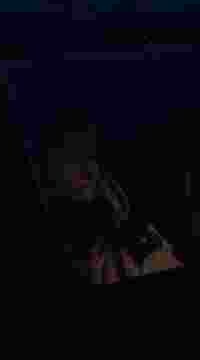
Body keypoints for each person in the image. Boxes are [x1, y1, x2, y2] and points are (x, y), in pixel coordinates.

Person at [36, 109, 183, 284]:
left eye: (91, 157)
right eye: (75, 157)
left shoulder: (127, 218)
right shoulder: (72, 230)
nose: (91, 170)